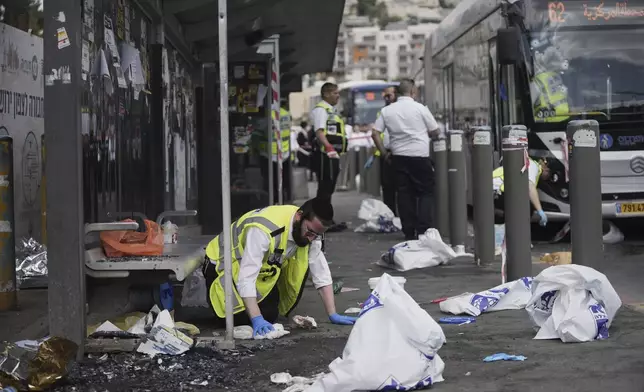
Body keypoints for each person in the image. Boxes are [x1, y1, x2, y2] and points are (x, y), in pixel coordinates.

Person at [202, 197, 357, 337]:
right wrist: (256, 319)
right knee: (238, 318)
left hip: (258, 270)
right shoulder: (263, 230)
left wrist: (333, 313)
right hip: (222, 265)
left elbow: (320, 270)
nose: (312, 239)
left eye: (317, 235)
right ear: (299, 216)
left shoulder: (311, 231)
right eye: (310, 232)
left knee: (270, 313)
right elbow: (246, 276)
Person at [372, 79, 440, 241]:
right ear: (413, 91)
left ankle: (408, 231)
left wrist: (384, 154)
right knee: (425, 192)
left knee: (404, 193)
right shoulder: (420, 109)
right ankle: (423, 229)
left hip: (398, 157)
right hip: (420, 156)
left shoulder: (387, 111)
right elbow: (436, 131)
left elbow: (375, 133)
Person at [309, 83, 347, 202]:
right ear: (326, 94)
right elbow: (319, 132)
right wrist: (329, 148)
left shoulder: (332, 110)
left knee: (329, 187)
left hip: (332, 153)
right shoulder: (321, 110)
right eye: (335, 93)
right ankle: (321, 217)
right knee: (325, 186)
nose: (338, 96)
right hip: (325, 154)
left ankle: (325, 216)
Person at [492, 158, 551, 226]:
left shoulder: (533, 170)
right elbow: (530, 187)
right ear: (541, 163)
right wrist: (540, 211)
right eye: (547, 168)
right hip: (496, 190)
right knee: (526, 208)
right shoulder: (533, 166)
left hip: (497, 190)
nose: (548, 172)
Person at [256, 99, 292, 202]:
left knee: (270, 183)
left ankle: (273, 202)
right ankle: (283, 201)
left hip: (269, 153)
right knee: (282, 181)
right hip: (284, 152)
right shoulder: (285, 113)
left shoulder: (267, 114)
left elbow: (258, 133)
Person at [373, 86, 398, 215]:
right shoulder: (383, 112)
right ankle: (390, 215)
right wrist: (382, 152)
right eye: (385, 97)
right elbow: (377, 133)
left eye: (389, 96)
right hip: (387, 153)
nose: (387, 99)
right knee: (388, 187)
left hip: (401, 152)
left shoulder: (406, 109)